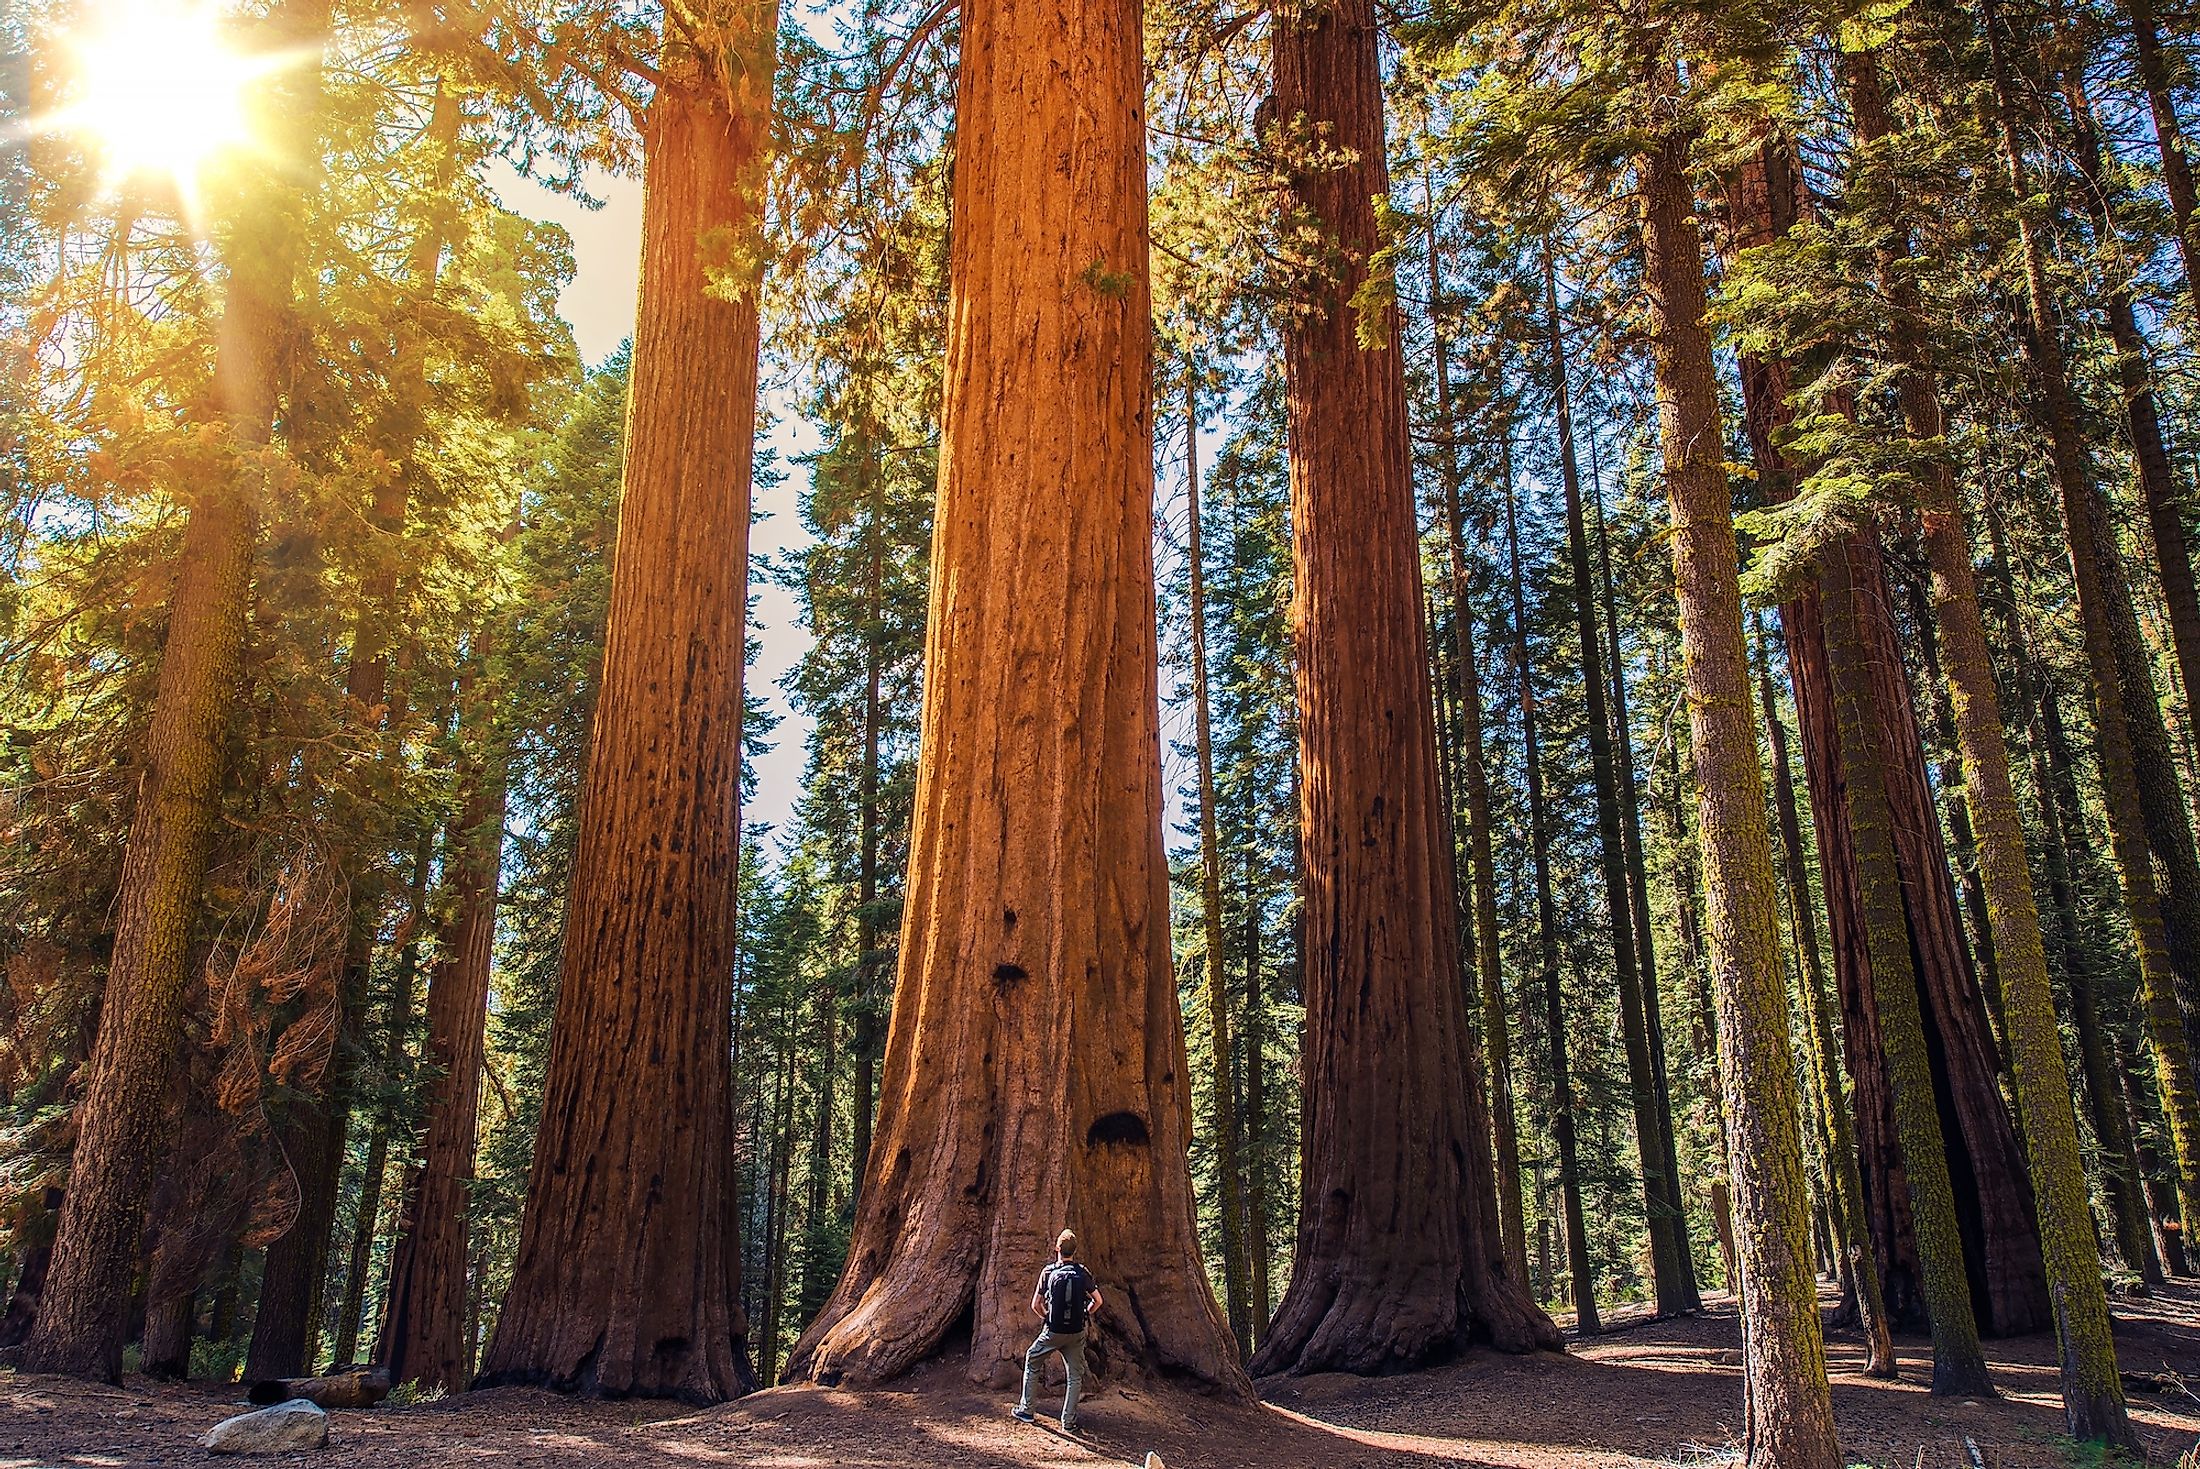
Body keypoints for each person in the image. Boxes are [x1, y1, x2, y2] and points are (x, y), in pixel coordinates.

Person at [1013, 1229, 1101, 1432]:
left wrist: (1047, 1317)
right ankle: (1068, 1422)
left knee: (1032, 1360)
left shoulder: (1048, 1272)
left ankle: (1026, 1410)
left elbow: (1036, 1304)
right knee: (1075, 1375)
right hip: (1076, 1333)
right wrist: (1086, 1313)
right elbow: (1098, 1300)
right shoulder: (1082, 1272)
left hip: (1052, 1331)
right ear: (1074, 1251)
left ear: (1057, 1249)